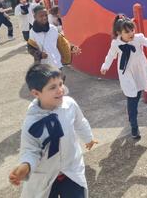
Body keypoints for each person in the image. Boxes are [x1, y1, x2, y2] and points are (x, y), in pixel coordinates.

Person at [9, 64, 97, 198]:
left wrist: (88, 138)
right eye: (52, 87)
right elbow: (30, 149)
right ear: (36, 93)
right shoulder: (32, 122)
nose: (60, 90)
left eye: (60, 84)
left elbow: (80, 122)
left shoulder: (70, 105)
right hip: (46, 175)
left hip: (71, 169)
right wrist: (26, 165)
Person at [100, 15, 147, 139]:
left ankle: (131, 114)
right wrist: (105, 66)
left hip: (139, 71)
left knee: (137, 94)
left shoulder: (138, 38)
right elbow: (110, 56)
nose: (131, 33)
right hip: (126, 72)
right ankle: (134, 126)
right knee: (132, 96)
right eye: (127, 32)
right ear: (119, 32)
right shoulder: (116, 43)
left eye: (132, 30)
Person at [28, 5, 80, 71]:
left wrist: (72, 48)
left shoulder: (53, 28)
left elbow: (63, 42)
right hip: (44, 66)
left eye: (46, 15)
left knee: (59, 80)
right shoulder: (32, 32)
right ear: (35, 17)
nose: (44, 18)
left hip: (57, 63)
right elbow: (30, 48)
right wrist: (39, 54)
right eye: (41, 16)